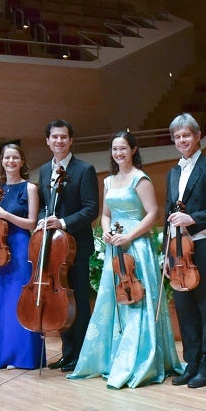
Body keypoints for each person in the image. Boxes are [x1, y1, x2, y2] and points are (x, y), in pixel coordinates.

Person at [70, 131, 182, 387]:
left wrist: (129, 236)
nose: (118, 153)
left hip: (136, 244)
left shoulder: (140, 178)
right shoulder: (108, 181)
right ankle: (114, 358)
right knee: (116, 298)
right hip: (116, 246)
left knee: (138, 299)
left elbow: (153, 213)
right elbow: (105, 215)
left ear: (133, 150)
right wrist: (106, 231)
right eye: (114, 149)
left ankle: (139, 359)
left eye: (123, 148)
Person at [165, 113, 206, 389]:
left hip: (204, 248)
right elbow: (168, 214)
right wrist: (166, 254)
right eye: (178, 136)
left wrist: (193, 218)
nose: (182, 140)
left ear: (198, 136)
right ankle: (191, 363)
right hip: (178, 251)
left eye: (187, 135)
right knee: (186, 310)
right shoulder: (172, 172)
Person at [37, 120, 98, 372]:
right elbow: (44, 204)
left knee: (79, 300)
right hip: (53, 248)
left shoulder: (84, 170)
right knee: (60, 299)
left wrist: (62, 222)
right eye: (55, 137)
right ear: (48, 141)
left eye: (64, 137)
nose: (59, 141)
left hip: (76, 246)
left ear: (71, 140)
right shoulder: (44, 170)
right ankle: (68, 352)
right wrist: (42, 219)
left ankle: (81, 355)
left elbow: (91, 209)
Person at [0, 144, 41, 370]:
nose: (11, 161)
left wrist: (6, 215)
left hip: (20, 246)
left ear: (22, 161)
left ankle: (22, 356)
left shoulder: (30, 188)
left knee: (19, 299)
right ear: (2, 161)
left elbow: (32, 223)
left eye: (15, 157)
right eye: (7, 157)